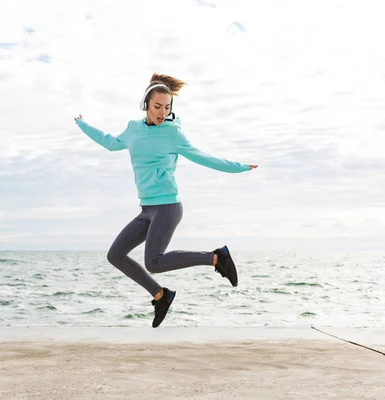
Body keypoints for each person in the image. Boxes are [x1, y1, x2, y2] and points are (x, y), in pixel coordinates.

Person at [74, 73, 258, 328]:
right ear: (146, 105)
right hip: (147, 208)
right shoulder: (133, 130)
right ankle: (161, 296)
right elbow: (110, 143)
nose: (162, 113)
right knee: (115, 255)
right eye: (157, 107)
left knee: (154, 262)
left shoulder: (173, 134)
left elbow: (204, 157)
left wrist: (240, 167)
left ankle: (216, 258)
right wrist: (83, 125)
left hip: (168, 206)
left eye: (167, 107)